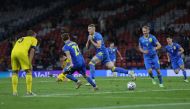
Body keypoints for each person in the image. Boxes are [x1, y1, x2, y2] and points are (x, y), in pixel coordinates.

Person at [11, 30, 38, 96]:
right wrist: (30, 62)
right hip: (22, 53)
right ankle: (29, 92)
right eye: (35, 35)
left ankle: (14, 92)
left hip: (13, 53)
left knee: (15, 72)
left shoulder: (21, 38)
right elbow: (32, 50)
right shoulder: (33, 39)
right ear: (33, 35)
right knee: (28, 71)